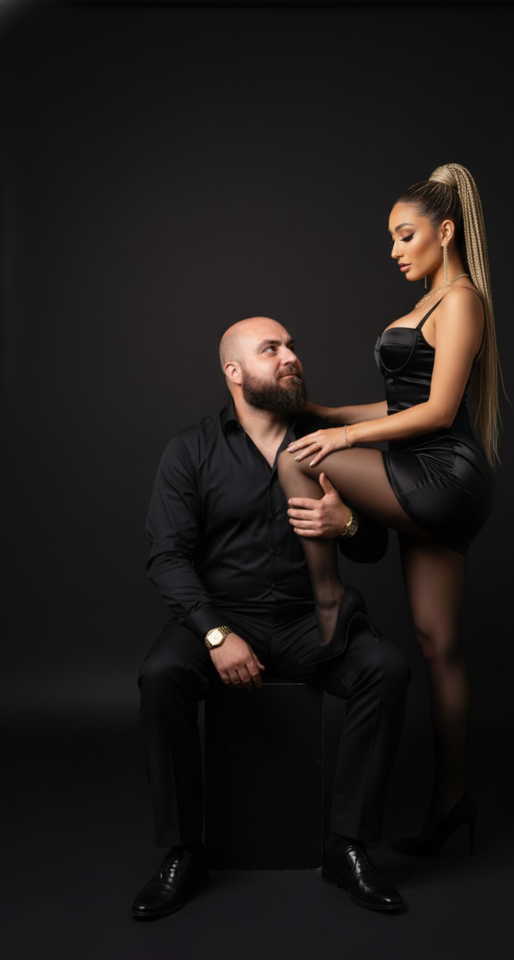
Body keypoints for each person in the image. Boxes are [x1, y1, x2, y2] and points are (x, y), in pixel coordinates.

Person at [131, 316, 410, 920]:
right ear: (234, 372)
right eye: (271, 349)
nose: (290, 357)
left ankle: (346, 846)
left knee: (386, 669)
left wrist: (347, 524)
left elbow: (372, 548)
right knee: (161, 676)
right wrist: (215, 633)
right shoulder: (191, 449)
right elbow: (167, 557)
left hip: (312, 621)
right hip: (224, 617)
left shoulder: (331, 443)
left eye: (291, 347)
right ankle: (184, 851)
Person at [278, 163, 499, 856]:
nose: (395, 250)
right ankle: (451, 799)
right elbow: (401, 404)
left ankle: (326, 611)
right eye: (392, 238)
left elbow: (438, 412)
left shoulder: (461, 301)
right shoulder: (431, 301)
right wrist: (332, 413)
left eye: (406, 235)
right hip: (416, 466)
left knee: (295, 458)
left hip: (443, 473)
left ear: (446, 231)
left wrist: (341, 439)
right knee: (438, 644)